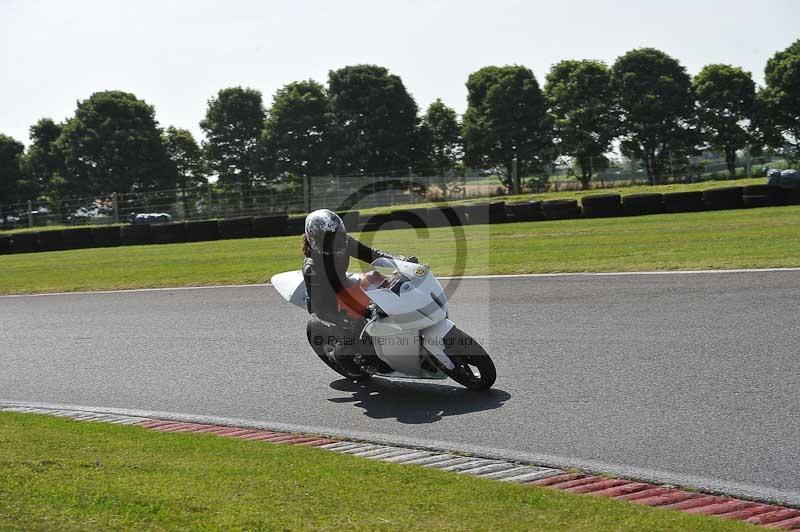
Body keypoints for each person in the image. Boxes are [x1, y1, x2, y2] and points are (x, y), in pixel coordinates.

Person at [302, 209, 417, 376]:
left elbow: (372, 255)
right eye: (330, 239)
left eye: (338, 235)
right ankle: (346, 359)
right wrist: (347, 321)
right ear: (315, 240)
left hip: (346, 283)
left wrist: (401, 262)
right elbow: (318, 309)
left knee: (381, 282)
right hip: (328, 301)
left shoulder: (344, 242)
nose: (336, 242)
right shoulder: (312, 269)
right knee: (354, 333)